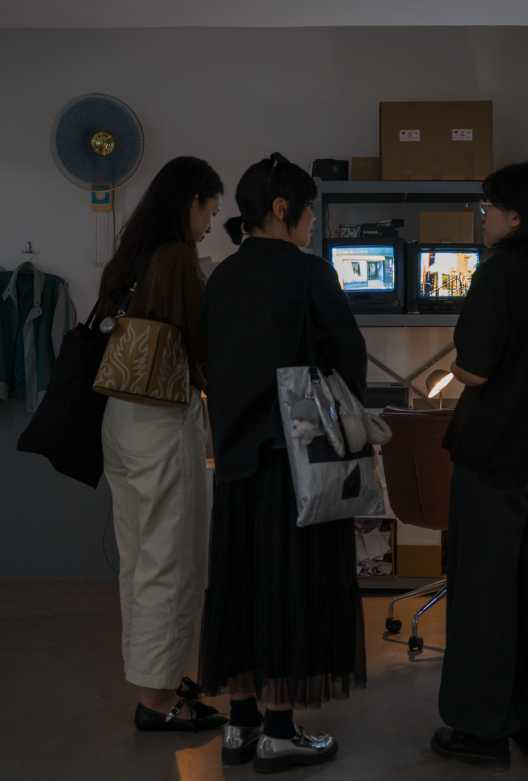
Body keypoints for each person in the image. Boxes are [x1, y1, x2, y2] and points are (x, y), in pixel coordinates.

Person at [199, 153, 368, 774]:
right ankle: (278, 730)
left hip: (235, 458)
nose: (311, 223)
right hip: (297, 463)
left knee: (239, 585)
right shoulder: (309, 274)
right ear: (281, 209)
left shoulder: (221, 278)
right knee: (289, 586)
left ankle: (240, 725)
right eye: (308, 211)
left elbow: (208, 363)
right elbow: (349, 357)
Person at [431, 161, 528, 769]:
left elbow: (473, 368)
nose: (483, 217)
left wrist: (461, 358)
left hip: (493, 455)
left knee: (484, 592)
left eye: (489, 207)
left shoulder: (497, 274)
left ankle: (481, 729)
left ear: (516, 217)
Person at [96, 156, 228, 732]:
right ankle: (156, 701)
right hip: (162, 422)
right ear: (190, 202)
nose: (209, 223)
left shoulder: (132, 254)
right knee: (170, 564)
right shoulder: (176, 259)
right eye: (209, 210)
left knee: (139, 560)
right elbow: (202, 344)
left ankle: (158, 677)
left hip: (121, 420)